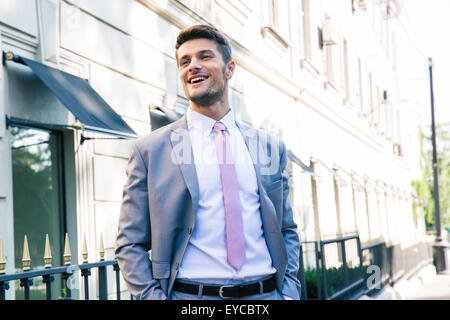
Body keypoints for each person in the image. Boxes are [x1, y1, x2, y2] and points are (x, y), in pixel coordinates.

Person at [115, 24, 301, 300]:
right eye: (185, 61)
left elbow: (286, 229)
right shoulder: (150, 150)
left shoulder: (269, 147)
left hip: (265, 296)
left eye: (205, 56)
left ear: (230, 69)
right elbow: (129, 243)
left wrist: (289, 292)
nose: (193, 66)